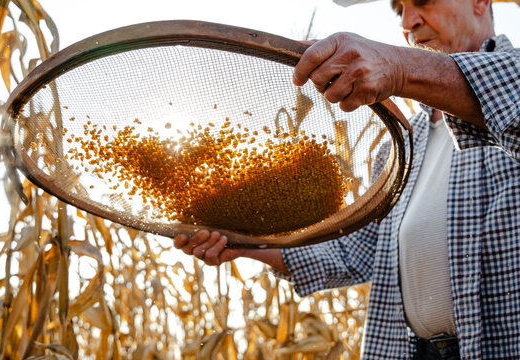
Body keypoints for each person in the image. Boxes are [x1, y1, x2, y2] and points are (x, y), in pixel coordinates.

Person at [174, 0, 520, 358]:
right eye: (398, 9)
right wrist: (249, 246)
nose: (408, 21)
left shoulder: (510, 93)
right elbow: (358, 251)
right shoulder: (401, 147)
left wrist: (399, 69)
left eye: (421, 2)